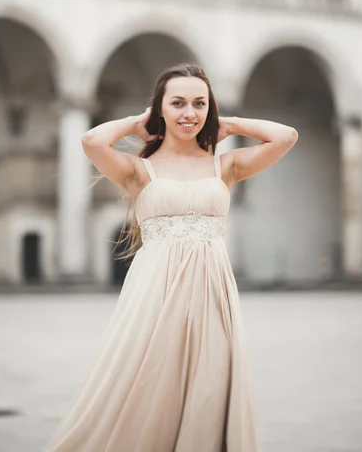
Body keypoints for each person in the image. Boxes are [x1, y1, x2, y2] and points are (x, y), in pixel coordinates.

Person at [47, 62, 298, 452]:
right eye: (178, 103)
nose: (189, 113)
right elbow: (92, 143)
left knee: (210, 385)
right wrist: (135, 122)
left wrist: (228, 123)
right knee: (148, 381)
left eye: (200, 104)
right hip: (154, 293)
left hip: (212, 291)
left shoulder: (225, 165)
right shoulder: (139, 171)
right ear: (160, 109)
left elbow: (285, 137)